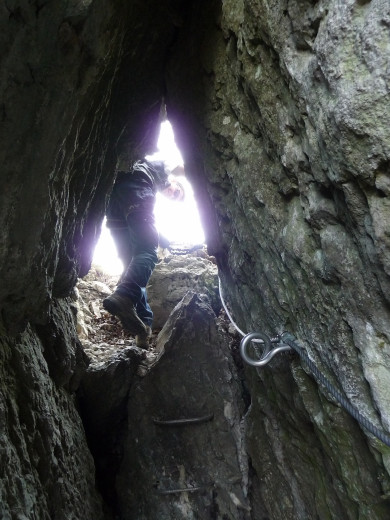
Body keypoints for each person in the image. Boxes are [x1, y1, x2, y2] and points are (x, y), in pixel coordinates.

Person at [102, 159, 184, 349]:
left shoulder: (146, 186)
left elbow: (142, 226)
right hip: (135, 186)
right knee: (148, 252)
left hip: (113, 201)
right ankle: (124, 296)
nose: (173, 195)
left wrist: (163, 239)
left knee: (134, 266)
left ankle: (143, 327)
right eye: (177, 192)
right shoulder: (160, 165)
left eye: (175, 198)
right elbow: (184, 165)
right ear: (173, 182)